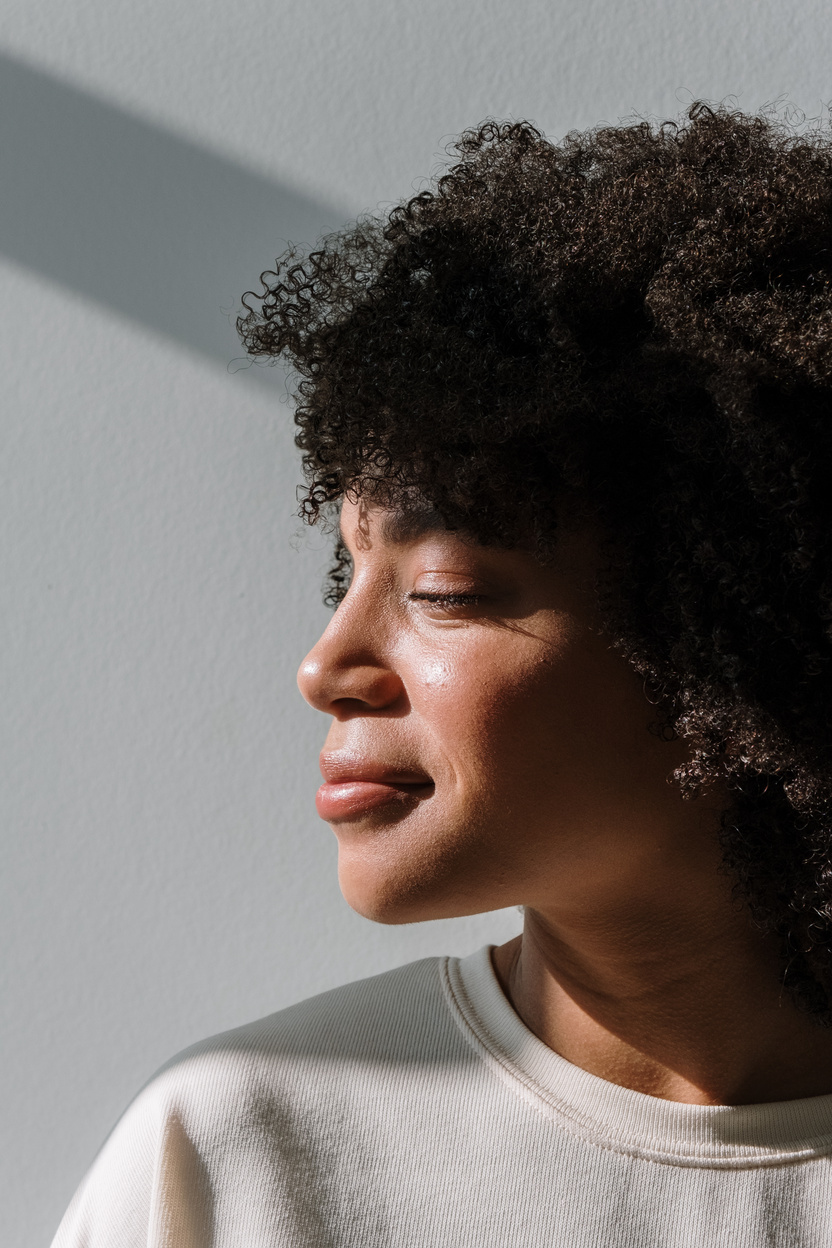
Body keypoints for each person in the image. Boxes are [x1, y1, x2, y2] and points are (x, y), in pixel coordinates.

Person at [53, 105, 832, 1246]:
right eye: (348, 570)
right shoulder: (244, 1149)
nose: (326, 665)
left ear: (746, 636)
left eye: (443, 590)